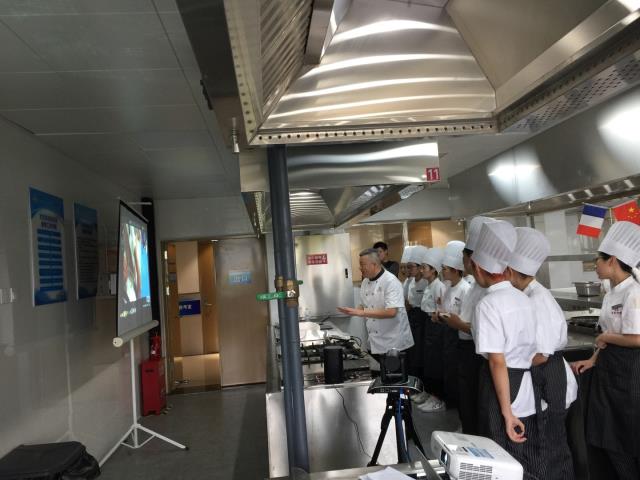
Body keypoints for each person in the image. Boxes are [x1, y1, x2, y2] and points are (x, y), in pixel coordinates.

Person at [471, 220, 546, 480]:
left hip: (502, 386)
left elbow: (497, 361)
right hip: (525, 381)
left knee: (500, 456)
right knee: (526, 452)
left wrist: (506, 412)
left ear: (478, 267)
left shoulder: (488, 304)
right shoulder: (522, 298)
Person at [571, 221, 640, 480]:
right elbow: (606, 339)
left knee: (627, 438)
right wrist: (592, 360)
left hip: (631, 372)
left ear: (611, 260)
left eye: (597, 260)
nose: (595, 265)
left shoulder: (634, 292)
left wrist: (608, 337)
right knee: (609, 439)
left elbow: (636, 338)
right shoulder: (611, 293)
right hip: (609, 370)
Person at [508, 227, 578, 480]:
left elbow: (542, 355)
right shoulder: (525, 296)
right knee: (542, 446)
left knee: (551, 450)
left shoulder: (539, 299)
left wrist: (506, 364)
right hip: (541, 379)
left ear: (514, 271)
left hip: (550, 380)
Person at [440, 216, 493, 434]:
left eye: (464, 258)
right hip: (465, 350)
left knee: (475, 400)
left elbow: (483, 330)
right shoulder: (474, 287)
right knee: (467, 399)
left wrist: (458, 324)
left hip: (476, 353)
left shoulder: (487, 290)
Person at [338, 248, 414, 363]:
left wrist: (361, 312)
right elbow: (364, 306)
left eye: (362, 264)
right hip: (374, 342)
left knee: (394, 379)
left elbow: (391, 312)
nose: (360, 268)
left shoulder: (391, 281)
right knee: (378, 378)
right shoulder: (365, 282)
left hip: (394, 343)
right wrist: (352, 311)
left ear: (374, 265)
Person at [437, 240, 470, 410]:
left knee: (458, 377)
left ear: (456, 270)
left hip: (460, 339)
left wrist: (451, 320)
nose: (442, 271)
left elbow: (464, 320)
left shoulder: (465, 289)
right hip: (448, 334)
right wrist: (439, 316)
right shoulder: (447, 287)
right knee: (448, 373)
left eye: (445, 268)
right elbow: (444, 309)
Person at [417, 247, 448, 412]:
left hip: (437, 326)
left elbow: (441, 310)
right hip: (428, 324)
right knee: (428, 362)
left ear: (434, 270)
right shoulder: (429, 285)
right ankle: (431, 394)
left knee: (436, 364)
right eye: (421, 267)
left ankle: (439, 399)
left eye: (424, 267)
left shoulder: (439, 286)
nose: (421, 270)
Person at [405, 246, 429, 382]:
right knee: (412, 352)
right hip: (412, 318)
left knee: (419, 353)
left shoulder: (426, 282)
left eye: (411, 267)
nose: (408, 270)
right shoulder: (410, 282)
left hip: (422, 319)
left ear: (420, 267)